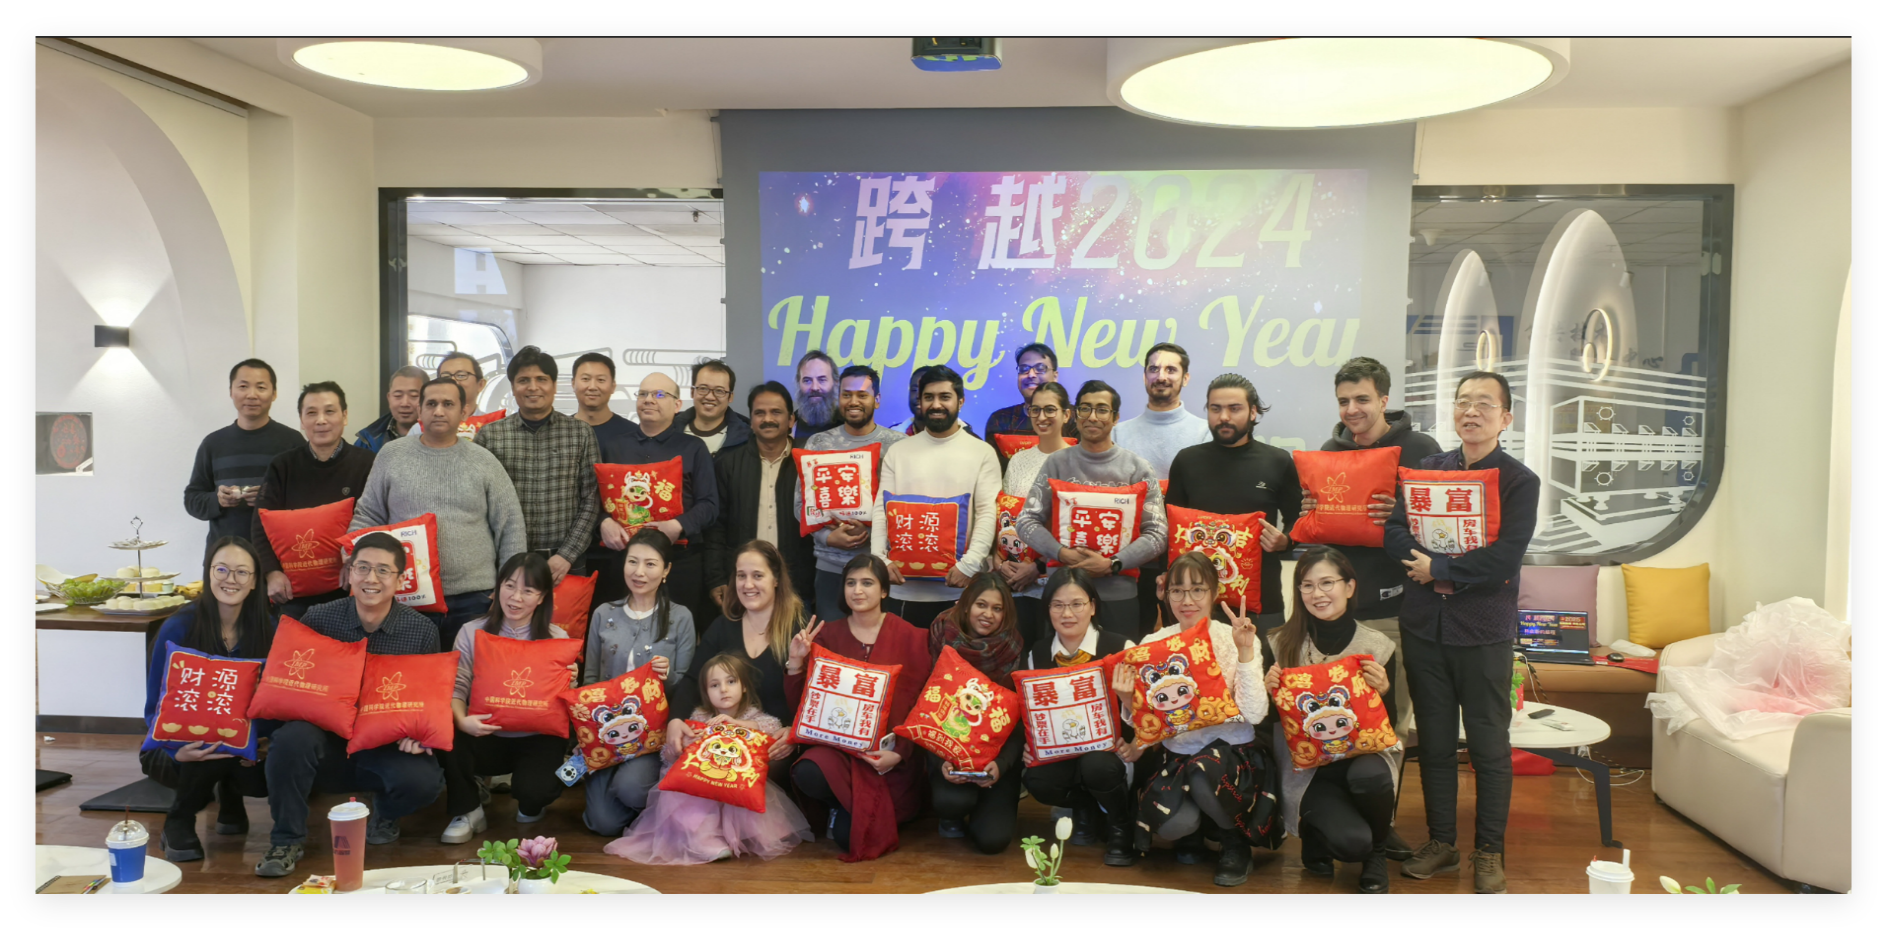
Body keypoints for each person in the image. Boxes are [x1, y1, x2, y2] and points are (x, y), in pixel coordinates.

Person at [1382, 371, 1539, 894]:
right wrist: (1423, 561)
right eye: (1463, 402)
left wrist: (1439, 568)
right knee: (1435, 742)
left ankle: (1489, 851)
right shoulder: (1426, 470)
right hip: (1424, 626)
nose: (1471, 412)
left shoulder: (1519, 481)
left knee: (1489, 746)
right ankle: (1442, 843)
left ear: (1505, 417)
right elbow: (1394, 531)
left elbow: (1505, 558)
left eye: (1484, 404)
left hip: (1483, 630)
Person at [256, 533, 442, 878]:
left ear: (400, 580)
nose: (372, 578)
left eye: (383, 570)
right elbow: (294, 679)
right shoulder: (319, 618)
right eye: (363, 568)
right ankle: (286, 840)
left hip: (384, 743)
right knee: (291, 739)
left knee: (424, 781)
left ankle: (385, 811)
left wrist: (420, 734)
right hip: (326, 739)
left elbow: (428, 695)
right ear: (349, 572)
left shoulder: (421, 630)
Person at [1265, 547, 1403, 895]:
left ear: (1350, 587)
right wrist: (1267, 693)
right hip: (1310, 771)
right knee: (1352, 844)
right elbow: (1266, 725)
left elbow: (1390, 726)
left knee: (1372, 779)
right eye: (1307, 585)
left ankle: (1378, 854)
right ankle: (1317, 833)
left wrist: (1384, 690)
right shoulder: (1280, 644)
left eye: (1327, 583)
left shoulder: (1377, 646)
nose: (1317, 593)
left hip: (1363, 757)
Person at [351, 376, 527, 645]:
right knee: (408, 670)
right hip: (404, 593)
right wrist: (354, 560)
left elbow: (510, 525)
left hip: (475, 597)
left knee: (466, 671)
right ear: (419, 410)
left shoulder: (484, 460)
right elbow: (368, 514)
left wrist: (508, 587)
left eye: (448, 404)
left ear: (464, 412)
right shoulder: (391, 455)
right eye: (431, 404)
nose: (439, 411)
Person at [1134, 551, 1270, 886]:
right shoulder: (1153, 643)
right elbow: (1147, 720)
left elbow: (1255, 713)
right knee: (1172, 826)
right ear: (1166, 594)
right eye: (1177, 590)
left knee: (1202, 772)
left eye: (1197, 589)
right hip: (1179, 755)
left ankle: (1234, 841)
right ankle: (1198, 826)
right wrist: (1127, 697)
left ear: (1214, 592)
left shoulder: (1235, 636)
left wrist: (1245, 651)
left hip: (1230, 756)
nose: (1187, 600)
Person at [786, 554, 933, 861]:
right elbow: (804, 705)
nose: (857, 590)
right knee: (808, 772)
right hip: (838, 752)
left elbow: (922, 705)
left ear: (884, 590)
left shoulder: (912, 637)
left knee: (848, 837)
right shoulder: (826, 636)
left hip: (889, 756)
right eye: (850, 583)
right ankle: (839, 803)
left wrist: (899, 753)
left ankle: (854, 809)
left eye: (867, 583)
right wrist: (796, 662)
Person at [605, 652, 813, 863]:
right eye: (714, 685)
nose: (723, 689)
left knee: (749, 791)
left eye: (731, 682)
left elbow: (772, 727)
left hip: (736, 783)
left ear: (743, 686)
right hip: (701, 783)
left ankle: (737, 835)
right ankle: (703, 838)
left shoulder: (753, 716)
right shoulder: (699, 717)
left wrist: (739, 725)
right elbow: (668, 755)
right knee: (689, 796)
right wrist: (682, 747)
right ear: (705, 691)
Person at [144, 536, 276, 862]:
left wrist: (263, 740)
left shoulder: (270, 629)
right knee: (208, 741)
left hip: (247, 744)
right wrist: (176, 749)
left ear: (255, 581)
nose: (231, 579)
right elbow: (155, 705)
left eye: (242, 572)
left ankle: (230, 795)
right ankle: (179, 820)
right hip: (179, 745)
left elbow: (278, 699)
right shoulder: (179, 627)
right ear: (208, 573)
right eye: (221, 569)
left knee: (249, 745)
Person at [438, 553, 574, 844]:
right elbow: (456, 687)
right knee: (445, 724)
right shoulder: (471, 631)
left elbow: (565, 703)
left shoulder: (557, 638)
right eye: (509, 585)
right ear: (497, 587)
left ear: (542, 597)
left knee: (533, 798)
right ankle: (468, 809)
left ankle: (531, 799)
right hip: (485, 734)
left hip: (536, 738)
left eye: (528, 590)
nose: (516, 597)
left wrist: (570, 681)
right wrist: (462, 721)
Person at [1015, 380, 1167, 639]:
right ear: (1075, 415)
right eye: (1085, 408)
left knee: (1118, 664)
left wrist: (1113, 564)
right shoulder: (1056, 463)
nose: (1092, 417)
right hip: (1063, 594)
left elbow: (1158, 534)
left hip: (1118, 595)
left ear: (1116, 417)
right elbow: (1026, 521)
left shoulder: (1137, 468)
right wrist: (1062, 553)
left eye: (1102, 409)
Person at [1301, 357, 1443, 625]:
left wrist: (1402, 516)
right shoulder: (1330, 451)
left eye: (1362, 400)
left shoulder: (1421, 449)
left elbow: (1444, 524)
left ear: (1383, 401)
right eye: (1343, 401)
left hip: (1401, 608)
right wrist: (1312, 512)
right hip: (1336, 608)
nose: (1351, 409)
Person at [581, 528, 698, 837]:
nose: (639, 572)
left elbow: (686, 687)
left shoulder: (681, 618)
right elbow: (590, 679)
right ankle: (649, 809)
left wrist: (667, 676)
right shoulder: (604, 613)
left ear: (666, 570)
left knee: (630, 789)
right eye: (632, 561)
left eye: (650, 564)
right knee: (602, 823)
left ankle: (656, 802)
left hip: (652, 737)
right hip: (605, 734)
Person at [1019, 568, 1138, 867]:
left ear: (1093, 606)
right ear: (1047, 609)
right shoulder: (1038, 653)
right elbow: (1033, 712)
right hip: (1062, 751)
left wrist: (1134, 732)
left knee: (1097, 765)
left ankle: (1121, 825)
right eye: (1057, 605)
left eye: (1076, 604)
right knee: (1036, 778)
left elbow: (1150, 713)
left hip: (1112, 753)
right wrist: (1032, 744)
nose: (1067, 613)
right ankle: (1086, 810)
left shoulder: (1122, 648)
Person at [1166, 373, 1302, 632]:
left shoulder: (1278, 461)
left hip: (1262, 600)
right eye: (1215, 409)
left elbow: (1299, 518)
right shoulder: (1187, 461)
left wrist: (1286, 541)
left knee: (1262, 659)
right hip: (1194, 600)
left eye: (1234, 408)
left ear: (1253, 412)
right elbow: (1170, 531)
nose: (1224, 417)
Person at [871, 365, 1002, 629]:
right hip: (901, 589)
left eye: (945, 397)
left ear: (960, 401)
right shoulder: (899, 451)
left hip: (958, 588)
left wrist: (969, 566)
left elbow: (988, 513)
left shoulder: (982, 452)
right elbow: (881, 510)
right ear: (919, 401)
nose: (936, 404)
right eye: (929, 397)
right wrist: (880, 559)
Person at [593, 371, 719, 618]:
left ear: (677, 405)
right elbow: (594, 501)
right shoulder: (613, 447)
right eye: (643, 394)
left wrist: (677, 526)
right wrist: (603, 522)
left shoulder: (693, 448)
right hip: (624, 562)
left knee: (675, 631)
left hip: (679, 563)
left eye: (659, 394)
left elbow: (710, 505)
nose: (649, 399)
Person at [475, 346, 602, 587]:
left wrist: (566, 556)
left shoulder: (580, 433)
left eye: (541, 379)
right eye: (523, 380)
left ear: (554, 386)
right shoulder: (490, 436)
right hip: (507, 561)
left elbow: (592, 499)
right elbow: (479, 503)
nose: (533, 387)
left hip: (566, 564)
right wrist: (503, 556)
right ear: (513, 387)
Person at [253, 382, 376, 619]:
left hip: (351, 591)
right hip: (294, 595)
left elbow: (377, 521)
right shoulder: (282, 465)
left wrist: (356, 563)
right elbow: (260, 524)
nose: (321, 420)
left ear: (345, 416)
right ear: (301, 420)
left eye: (329, 411)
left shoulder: (368, 463)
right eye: (311, 413)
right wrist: (271, 573)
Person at [925, 573, 1027, 854]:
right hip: (949, 749)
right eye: (981, 605)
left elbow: (1020, 721)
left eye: (997, 608)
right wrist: (942, 762)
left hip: (996, 757)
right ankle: (955, 811)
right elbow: (926, 709)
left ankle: (986, 807)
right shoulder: (941, 635)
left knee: (993, 841)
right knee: (951, 802)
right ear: (967, 604)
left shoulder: (1014, 647)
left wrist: (1001, 765)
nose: (988, 614)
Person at [800, 364, 905, 623]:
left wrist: (871, 531)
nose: (853, 402)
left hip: (881, 567)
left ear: (876, 400)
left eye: (862, 395)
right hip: (831, 567)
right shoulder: (819, 443)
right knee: (832, 640)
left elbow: (906, 507)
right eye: (846, 395)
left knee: (881, 642)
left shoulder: (898, 446)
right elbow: (801, 503)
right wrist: (828, 537)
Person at [706, 382, 815, 616]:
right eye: (759, 413)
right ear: (751, 420)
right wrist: (716, 578)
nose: (768, 419)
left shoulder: (809, 464)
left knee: (795, 640)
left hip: (797, 585)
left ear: (791, 420)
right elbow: (716, 528)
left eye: (776, 412)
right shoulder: (728, 464)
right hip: (743, 585)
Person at [184, 358, 304, 555]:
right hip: (223, 557)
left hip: (278, 556)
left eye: (261, 387)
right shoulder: (213, 443)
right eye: (243, 386)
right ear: (231, 392)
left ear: (274, 393)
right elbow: (192, 500)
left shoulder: (292, 442)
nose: (251, 395)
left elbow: (308, 500)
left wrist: (269, 499)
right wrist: (217, 500)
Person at [689, 540, 808, 733]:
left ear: (776, 579)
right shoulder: (723, 626)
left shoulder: (801, 628)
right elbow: (692, 679)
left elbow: (814, 697)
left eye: (758, 575)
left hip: (782, 739)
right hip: (729, 738)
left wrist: (794, 731)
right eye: (741, 576)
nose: (748, 584)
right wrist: (675, 721)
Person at [994, 382, 1074, 646]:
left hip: (1059, 581)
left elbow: (1075, 528)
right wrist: (999, 561)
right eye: (1035, 410)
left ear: (1066, 414)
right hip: (1015, 580)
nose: (1041, 417)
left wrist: (1038, 566)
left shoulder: (1077, 461)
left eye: (1050, 409)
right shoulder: (1018, 460)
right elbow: (1005, 515)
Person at [1113, 343, 1211, 479]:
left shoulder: (1206, 433)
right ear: (1145, 377)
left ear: (1185, 379)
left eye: (1171, 370)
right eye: (1153, 369)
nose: (1161, 377)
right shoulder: (1117, 434)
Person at [982, 342, 1075, 450]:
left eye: (1040, 368)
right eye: (1024, 369)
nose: (1031, 375)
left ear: (1055, 376)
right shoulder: (1001, 420)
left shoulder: (1076, 418)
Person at [677, 359, 750, 456]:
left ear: (730, 397)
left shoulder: (748, 437)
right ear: (692, 392)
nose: (710, 397)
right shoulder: (668, 429)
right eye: (703, 388)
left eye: (719, 391)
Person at [354, 365, 429, 452]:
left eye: (414, 396)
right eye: (398, 395)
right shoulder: (368, 439)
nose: (405, 403)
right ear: (389, 398)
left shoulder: (439, 436)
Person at [793, 349, 841, 440]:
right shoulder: (789, 426)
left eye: (822, 380)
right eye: (807, 380)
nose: (815, 387)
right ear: (798, 384)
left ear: (835, 383)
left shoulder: (848, 424)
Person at [437, 351, 489, 419]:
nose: (453, 381)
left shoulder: (492, 424)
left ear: (480, 385)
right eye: (446, 377)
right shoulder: (427, 423)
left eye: (461, 375)